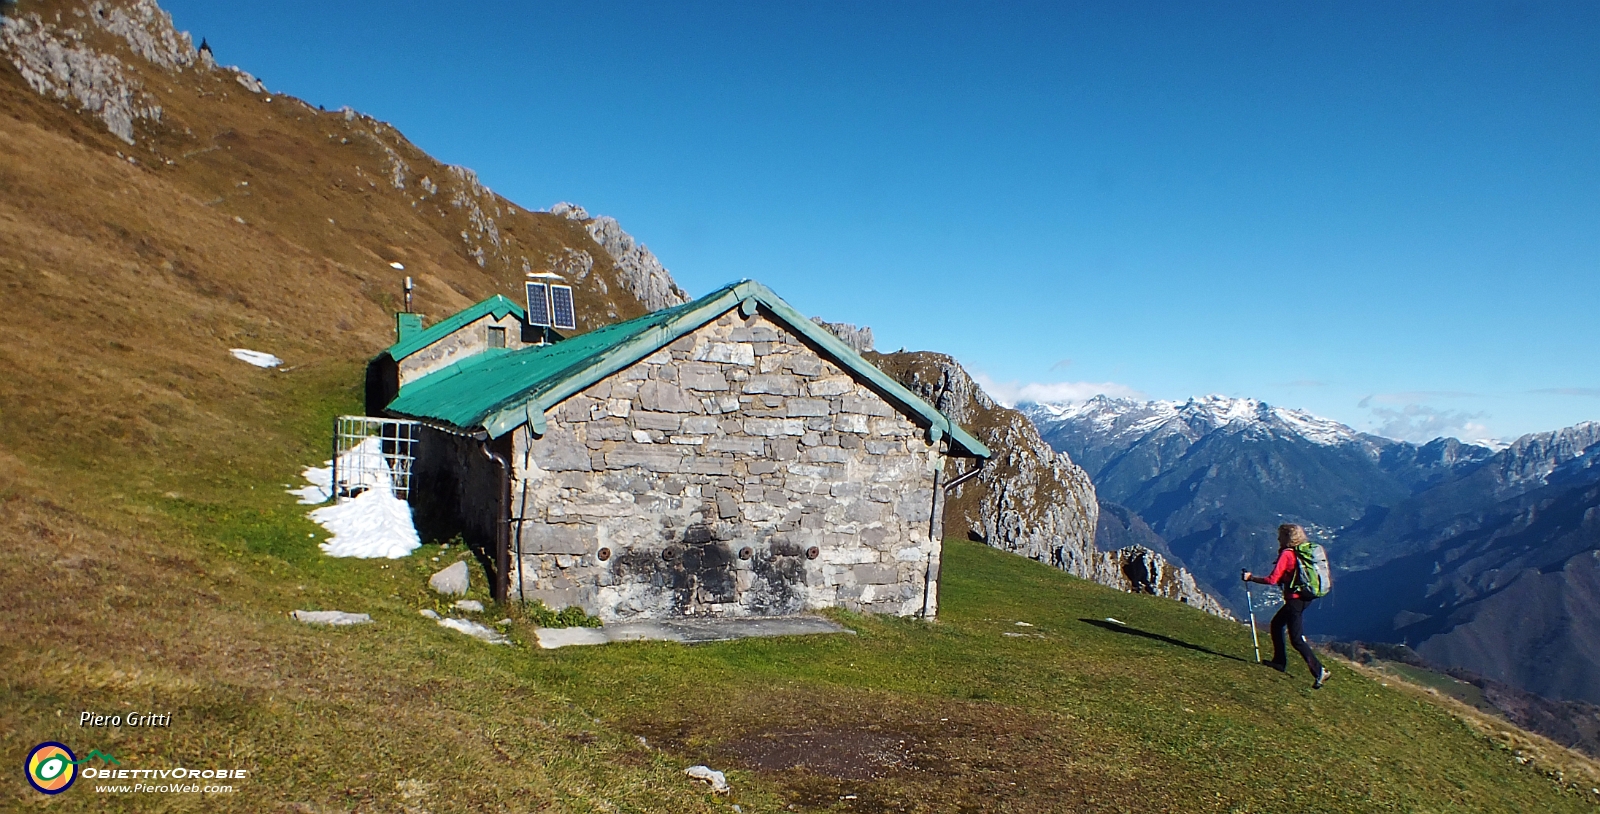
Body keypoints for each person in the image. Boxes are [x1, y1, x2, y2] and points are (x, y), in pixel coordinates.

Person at [1242, 523, 1331, 689]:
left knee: (1296, 639)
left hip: (1294, 600)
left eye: (1280, 536)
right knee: (1276, 625)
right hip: (1305, 597)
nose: (1277, 539)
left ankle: (1319, 670)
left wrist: (1251, 578)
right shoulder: (1301, 552)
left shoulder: (1287, 554)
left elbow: (1272, 579)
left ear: (1286, 538)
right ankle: (1279, 662)